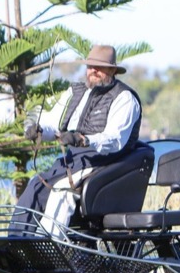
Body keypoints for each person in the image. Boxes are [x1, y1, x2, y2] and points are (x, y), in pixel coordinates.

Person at [14, 44, 143, 235]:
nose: (93, 71)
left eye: (99, 67)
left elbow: (115, 139)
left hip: (106, 162)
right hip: (74, 160)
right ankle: (17, 243)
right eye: (90, 66)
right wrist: (40, 130)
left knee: (62, 190)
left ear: (113, 70)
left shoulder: (124, 98)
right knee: (36, 184)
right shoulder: (75, 92)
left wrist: (83, 139)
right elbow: (54, 125)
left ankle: (51, 247)